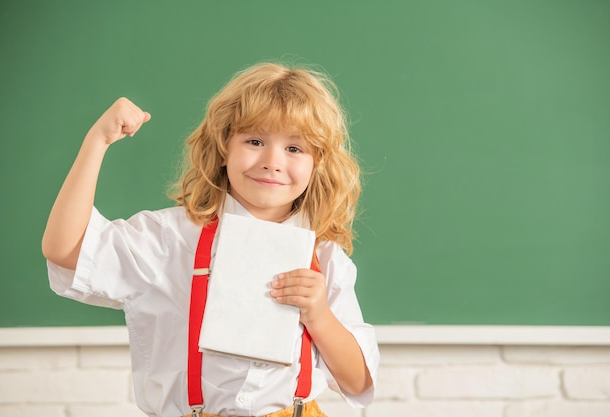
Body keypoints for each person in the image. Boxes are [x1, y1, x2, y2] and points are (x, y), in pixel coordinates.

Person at [42, 62, 379, 417]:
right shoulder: (170, 239)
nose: (272, 162)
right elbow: (65, 249)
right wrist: (98, 141)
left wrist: (319, 314)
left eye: (295, 149)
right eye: (255, 141)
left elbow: (358, 383)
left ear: (318, 165)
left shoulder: (325, 258)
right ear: (223, 149)